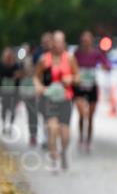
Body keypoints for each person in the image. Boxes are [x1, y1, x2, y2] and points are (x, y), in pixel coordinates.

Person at [34, 30, 79, 172]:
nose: (59, 44)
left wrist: (71, 79)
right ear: (51, 43)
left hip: (65, 99)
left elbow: (78, 77)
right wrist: (40, 87)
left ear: (64, 43)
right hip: (49, 99)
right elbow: (36, 77)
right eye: (56, 41)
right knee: (52, 128)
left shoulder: (70, 58)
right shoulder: (44, 59)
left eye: (61, 41)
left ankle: (63, 152)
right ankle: (54, 158)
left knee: (65, 134)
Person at [73, 31, 112, 152]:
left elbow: (108, 65)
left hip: (92, 86)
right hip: (79, 86)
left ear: (91, 41)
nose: (85, 42)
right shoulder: (77, 53)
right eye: (84, 40)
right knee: (81, 114)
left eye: (88, 40)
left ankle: (88, 141)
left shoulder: (96, 53)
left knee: (90, 116)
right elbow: (71, 66)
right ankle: (80, 137)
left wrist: (103, 66)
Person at [0, 47, 22, 137]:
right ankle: (4, 124)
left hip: (13, 92)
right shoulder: (0, 65)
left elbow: (19, 78)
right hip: (4, 92)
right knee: (4, 110)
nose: (8, 57)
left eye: (9, 55)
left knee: (13, 111)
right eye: (6, 55)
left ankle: (10, 126)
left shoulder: (16, 65)